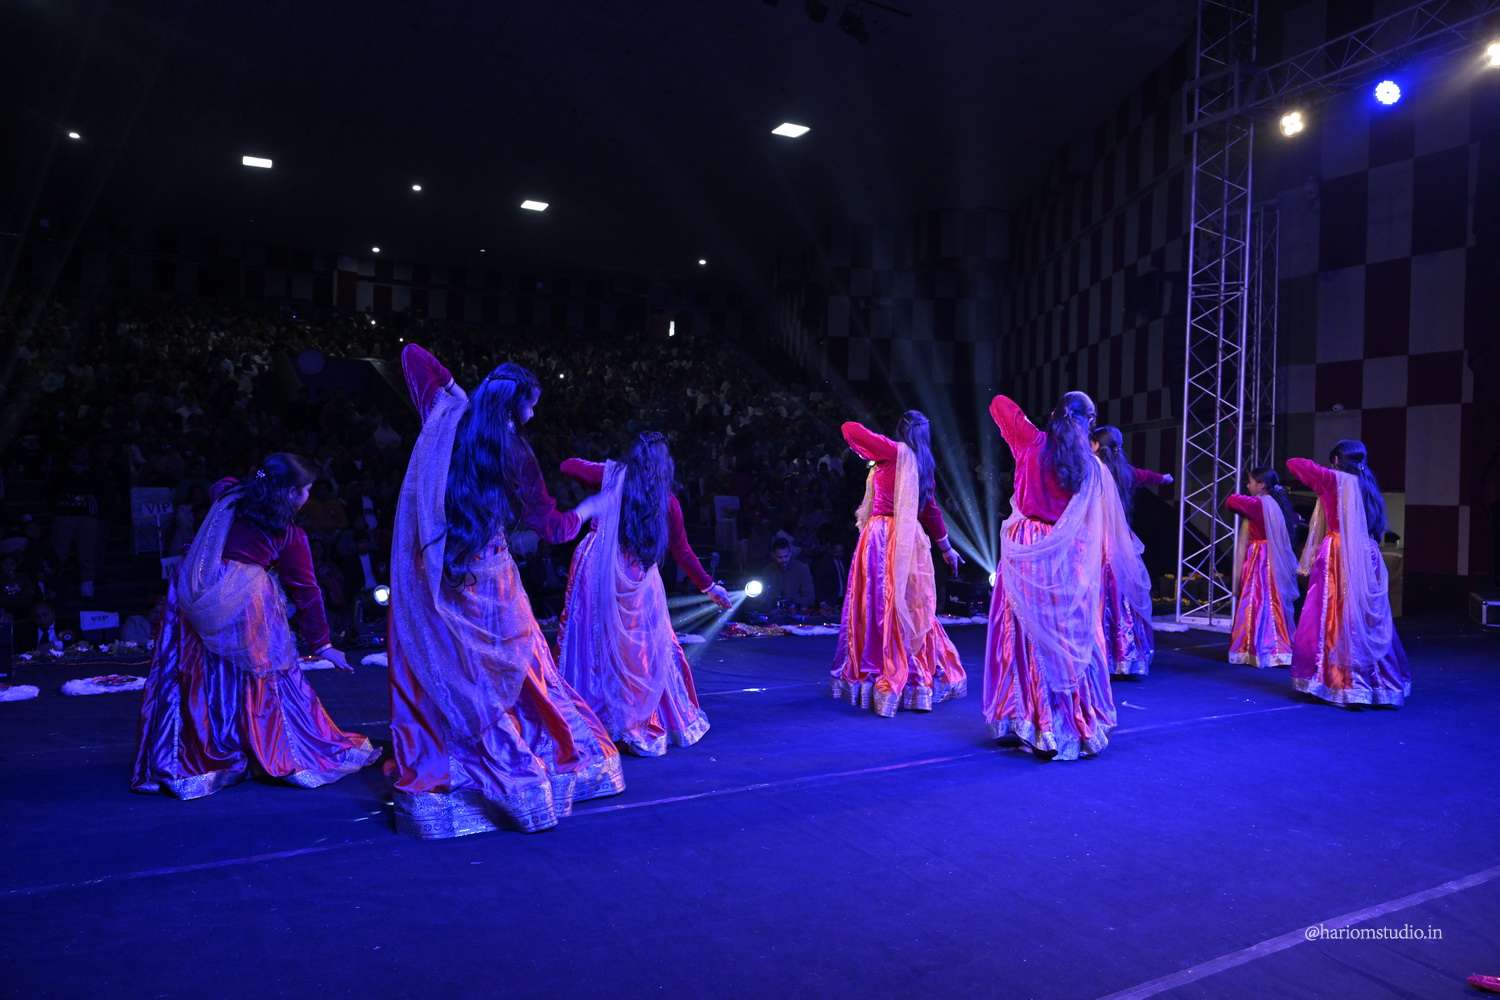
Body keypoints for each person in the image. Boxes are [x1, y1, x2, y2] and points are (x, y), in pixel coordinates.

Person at [386, 345, 625, 837]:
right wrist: (591, 509)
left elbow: (411, 355)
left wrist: (454, 391)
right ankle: (523, 763)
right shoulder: (515, 453)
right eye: (531, 405)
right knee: (523, 671)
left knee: (451, 667)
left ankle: (451, 757)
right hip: (492, 580)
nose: (534, 416)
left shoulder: (449, 427)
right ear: (515, 405)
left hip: (440, 575)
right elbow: (553, 528)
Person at [132, 454, 378, 799]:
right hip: (245, 604)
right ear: (291, 493)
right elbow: (306, 590)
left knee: (200, 672)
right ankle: (259, 745)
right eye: (306, 490)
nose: (308, 496)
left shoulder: (229, 497)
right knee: (259, 676)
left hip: (196, 590)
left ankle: (201, 749)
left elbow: (222, 483)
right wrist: (323, 644)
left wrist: (249, 485)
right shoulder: (287, 533)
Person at [984, 393, 1146, 759]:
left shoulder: (1032, 441)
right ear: (1089, 423)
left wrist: (1038, 421)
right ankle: (1067, 722)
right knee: (1065, 637)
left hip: (1028, 550)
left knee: (1027, 637)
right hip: (1067, 553)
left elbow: (999, 403)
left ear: (1057, 415)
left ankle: (1032, 721)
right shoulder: (1089, 464)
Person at [556, 434, 732, 756]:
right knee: (638, 649)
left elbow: (568, 466)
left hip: (598, 570)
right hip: (637, 576)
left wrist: (610, 470)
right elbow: (682, 551)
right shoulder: (668, 502)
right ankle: (635, 717)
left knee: (597, 644)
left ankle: (597, 716)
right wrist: (709, 587)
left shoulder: (613, 478)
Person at [830, 412, 966, 716]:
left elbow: (849, 428)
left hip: (883, 538)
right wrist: (946, 549)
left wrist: (871, 448)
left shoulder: (893, 452)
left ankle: (883, 669)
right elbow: (930, 511)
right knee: (908, 605)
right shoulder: (922, 464)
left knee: (880, 605)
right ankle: (913, 678)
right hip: (909, 539)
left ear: (901, 431)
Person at [1287, 441, 1409, 707]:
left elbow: (1294, 464)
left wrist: (1330, 471)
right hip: (1367, 553)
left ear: (1335, 460)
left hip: (1339, 555)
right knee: (1366, 619)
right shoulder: (1368, 483)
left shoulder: (1334, 481)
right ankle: (1379, 685)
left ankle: (1344, 683)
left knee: (1336, 617)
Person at [1089, 425, 1167, 677]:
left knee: (1100, 594)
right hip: (1120, 541)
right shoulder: (1125, 471)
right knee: (1120, 595)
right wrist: (1164, 478)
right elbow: (1145, 475)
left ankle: (1102, 654)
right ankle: (1125, 655)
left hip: (1096, 540)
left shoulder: (1091, 470)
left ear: (1095, 445)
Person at [1226, 467, 1298, 668]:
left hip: (1260, 557)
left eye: (1250, 482)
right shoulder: (1275, 504)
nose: (1247, 485)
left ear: (1262, 485)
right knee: (1269, 601)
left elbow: (1231, 501)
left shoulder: (1259, 504)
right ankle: (1275, 648)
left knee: (1255, 600)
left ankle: (1256, 647)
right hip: (1270, 556)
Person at [763, 537, 815, 612]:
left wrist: (794, 602)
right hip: (774, 613)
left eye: (786, 556)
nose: (784, 560)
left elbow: (810, 598)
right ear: (773, 555)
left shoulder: (802, 568)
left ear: (790, 553)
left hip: (796, 612)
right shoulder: (767, 570)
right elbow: (764, 597)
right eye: (780, 557)